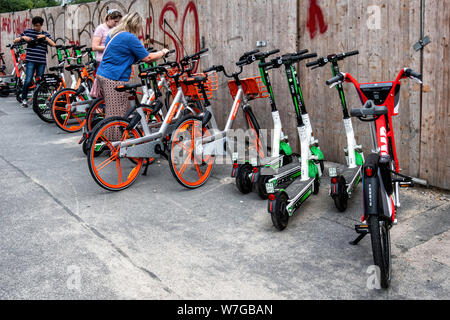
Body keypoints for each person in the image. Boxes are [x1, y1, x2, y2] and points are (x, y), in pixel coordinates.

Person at [96, 12, 169, 140]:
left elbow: (119, 53)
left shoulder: (113, 34)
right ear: (135, 25)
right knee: (117, 115)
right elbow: (148, 57)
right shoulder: (129, 37)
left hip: (102, 75)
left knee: (113, 111)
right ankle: (115, 145)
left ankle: (112, 140)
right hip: (114, 78)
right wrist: (163, 52)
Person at [14, 16, 56, 108]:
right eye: (35, 25)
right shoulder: (28, 32)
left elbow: (53, 44)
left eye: (39, 26)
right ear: (33, 25)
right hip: (31, 61)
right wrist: (23, 37)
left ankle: (36, 100)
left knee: (39, 81)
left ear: (41, 25)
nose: (37, 27)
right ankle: (24, 99)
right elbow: (15, 40)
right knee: (28, 80)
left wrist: (45, 37)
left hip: (41, 61)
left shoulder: (45, 34)